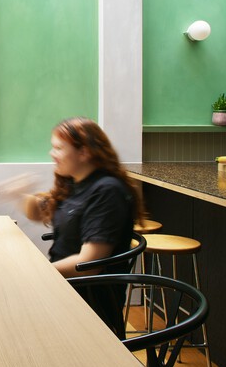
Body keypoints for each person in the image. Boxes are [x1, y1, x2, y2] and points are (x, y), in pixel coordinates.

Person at [23, 116, 145, 335]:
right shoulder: (74, 182)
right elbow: (38, 210)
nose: (52, 154)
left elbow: (89, 263)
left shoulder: (107, 192)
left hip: (87, 304)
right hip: (64, 288)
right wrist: (18, 194)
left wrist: (37, 273)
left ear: (84, 152)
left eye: (59, 148)